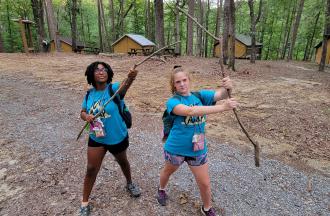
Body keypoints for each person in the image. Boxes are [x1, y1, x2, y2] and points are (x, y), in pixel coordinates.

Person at [157, 66, 238, 216]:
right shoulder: (173, 102)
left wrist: (228, 87)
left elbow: (220, 94)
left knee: (205, 183)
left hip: (198, 149)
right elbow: (190, 111)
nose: (182, 84)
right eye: (178, 82)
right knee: (167, 172)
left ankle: (206, 208)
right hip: (176, 148)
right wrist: (223, 108)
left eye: (184, 80)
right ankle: (161, 189)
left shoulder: (199, 96)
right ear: (173, 85)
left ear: (189, 80)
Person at [79, 61, 141, 216]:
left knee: (123, 162)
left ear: (109, 73)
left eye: (104, 69)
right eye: (97, 70)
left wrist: (131, 78)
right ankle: (84, 203)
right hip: (97, 137)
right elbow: (82, 112)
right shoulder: (89, 94)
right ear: (91, 74)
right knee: (91, 168)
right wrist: (86, 116)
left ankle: (129, 183)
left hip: (117, 137)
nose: (101, 71)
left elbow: (125, 87)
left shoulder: (113, 89)